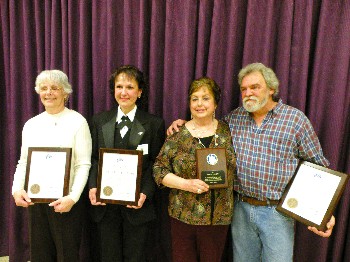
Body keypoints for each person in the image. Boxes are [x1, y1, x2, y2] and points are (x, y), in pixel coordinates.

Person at [167, 63, 335, 262]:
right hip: (240, 209)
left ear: (271, 89)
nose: (248, 93)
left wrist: (324, 212)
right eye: (244, 89)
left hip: (277, 212)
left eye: (255, 87)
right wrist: (181, 124)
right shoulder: (234, 119)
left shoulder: (295, 120)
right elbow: (205, 126)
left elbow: (318, 167)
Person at [12, 70, 92, 261]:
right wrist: (17, 190)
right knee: (40, 255)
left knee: (67, 255)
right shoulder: (31, 124)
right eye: (44, 88)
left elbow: (83, 164)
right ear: (38, 92)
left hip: (66, 202)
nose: (48, 92)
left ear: (65, 92)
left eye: (55, 88)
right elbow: (23, 162)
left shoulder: (78, 122)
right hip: (36, 201)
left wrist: (72, 198)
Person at [153, 77, 236, 262]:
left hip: (218, 219)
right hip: (182, 216)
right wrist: (185, 184)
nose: (200, 104)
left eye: (205, 98)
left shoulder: (229, 131)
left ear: (215, 103)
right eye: (194, 98)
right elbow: (159, 169)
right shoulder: (177, 134)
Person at [88, 65, 165, 261]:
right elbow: (94, 158)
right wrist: (93, 186)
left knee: (136, 257)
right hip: (105, 206)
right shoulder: (99, 121)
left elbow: (156, 163)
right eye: (119, 86)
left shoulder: (154, 124)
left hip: (137, 206)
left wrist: (145, 193)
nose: (124, 92)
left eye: (130, 87)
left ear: (139, 92)